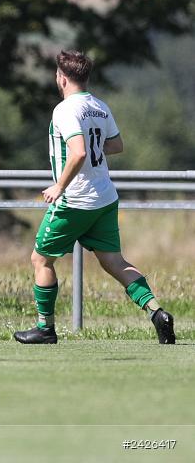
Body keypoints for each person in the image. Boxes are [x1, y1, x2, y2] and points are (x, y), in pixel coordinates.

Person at [13, 51, 175, 345]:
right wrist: (91, 143)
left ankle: (45, 329)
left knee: (41, 260)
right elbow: (116, 145)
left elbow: (79, 152)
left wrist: (60, 186)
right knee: (114, 261)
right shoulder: (99, 106)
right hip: (104, 197)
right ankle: (157, 313)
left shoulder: (64, 110)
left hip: (75, 199)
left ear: (61, 78)